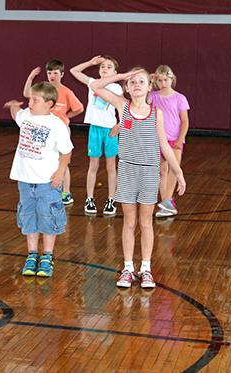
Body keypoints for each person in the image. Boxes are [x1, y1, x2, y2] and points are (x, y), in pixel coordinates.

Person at [91, 68, 186, 289]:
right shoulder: (123, 106)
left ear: (149, 86)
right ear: (127, 86)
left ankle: (145, 268)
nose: (136, 84)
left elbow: (164, 145)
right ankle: (127, 268)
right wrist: (120, 76)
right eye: (132, 82)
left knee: (145, 222)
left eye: (141, 81)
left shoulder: (156, 113)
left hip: (149, 172)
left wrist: (179, 173)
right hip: (127, 171)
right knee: (129, 221)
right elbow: (95, 86)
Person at [4, 81, 73, 277]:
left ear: (49, 104)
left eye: (35, 100)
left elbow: (67, 152)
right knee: (29, 218)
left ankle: (47, 256)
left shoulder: (56, 125)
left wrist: (60, 172)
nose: (30, 103)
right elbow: (17, 115)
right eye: (30, 99)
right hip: (25, 181)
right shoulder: (26, 115)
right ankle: (32, 254)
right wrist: (14, 106)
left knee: (48, 217)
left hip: (46, 182)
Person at [24, 59, 83, 205]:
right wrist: (31, 77)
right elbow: (27, 94)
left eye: (55, 73)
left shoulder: (66, 92)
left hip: (60, 130)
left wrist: (65, 117)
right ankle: (44, 188)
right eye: (49, 73)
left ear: (62, 74)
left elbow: (79, 108)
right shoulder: (43, 89)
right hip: (44, 131)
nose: (52, 76)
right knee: (45, 159)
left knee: (63, 161)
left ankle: (66, 192)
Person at [69, 55, 122, 215]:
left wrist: (119, 125)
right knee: (93, 165)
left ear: (115, 72)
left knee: (111, 166)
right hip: (95, 129)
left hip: (110, 130)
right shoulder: (92, 83)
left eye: (109, 67)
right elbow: (74, 71)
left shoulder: (116, 88)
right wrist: (90, 62)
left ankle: (111, 199)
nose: (105, 69)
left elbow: (122, 108)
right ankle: (90, 198)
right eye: (102, 66)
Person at [148, 65, 190, 217]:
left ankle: (167, 201)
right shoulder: (153, 96)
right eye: (159, 80)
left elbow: (185, 121)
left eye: (166, 79)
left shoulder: (180, 98)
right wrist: (150, 81)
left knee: (174, 168)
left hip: (174, 140)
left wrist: (180, 139)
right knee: (162, 170)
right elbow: (142, 101)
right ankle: (165, 201)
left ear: (172, 79)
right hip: (157, 139)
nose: (163, 83)